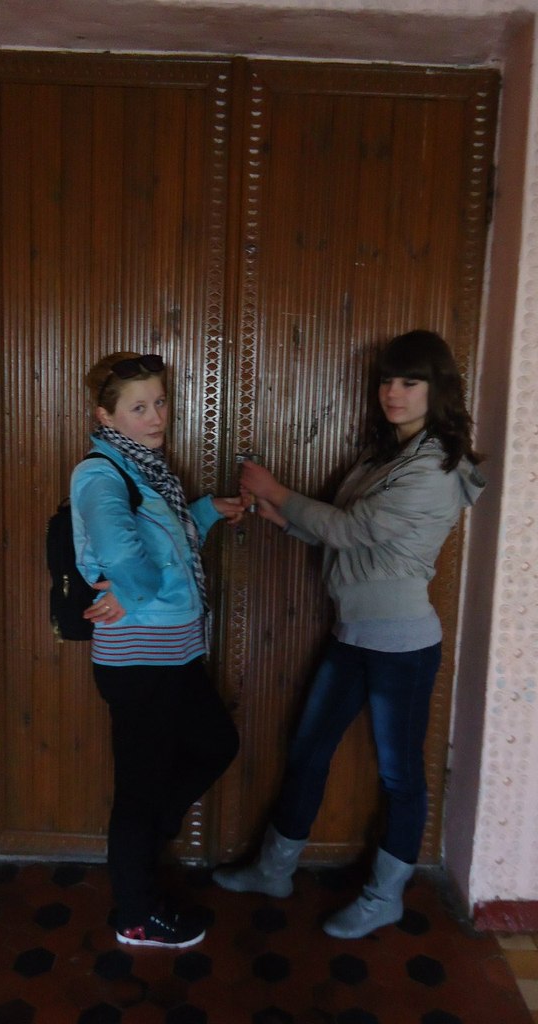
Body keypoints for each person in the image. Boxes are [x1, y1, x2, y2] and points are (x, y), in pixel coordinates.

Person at [213, 330, 485, 940]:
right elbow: (342, 532)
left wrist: (276, 490)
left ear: (437, 389)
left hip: (401, 645)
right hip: (353, 633)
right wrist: (280, 518)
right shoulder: (388, 454)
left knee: (399, 776)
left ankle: (385, 898)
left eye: (409, 381)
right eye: (387, 380)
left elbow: (353, 531)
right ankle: (274, 870)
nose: (393, 392)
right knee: (308, 751)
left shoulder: (435, 468)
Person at [70, 351, 242, 949]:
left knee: (216, 744)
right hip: (140, 658)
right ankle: (136, 916)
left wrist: (208, 512)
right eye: (139, 407)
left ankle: (147, 835)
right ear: (106, 416)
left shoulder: (143, 470)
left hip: (172, 653)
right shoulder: (100, 474)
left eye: (160, 402)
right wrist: (131, 588)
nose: (156, 417)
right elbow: (121, 552)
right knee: (139, 793)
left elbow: (165, 541)